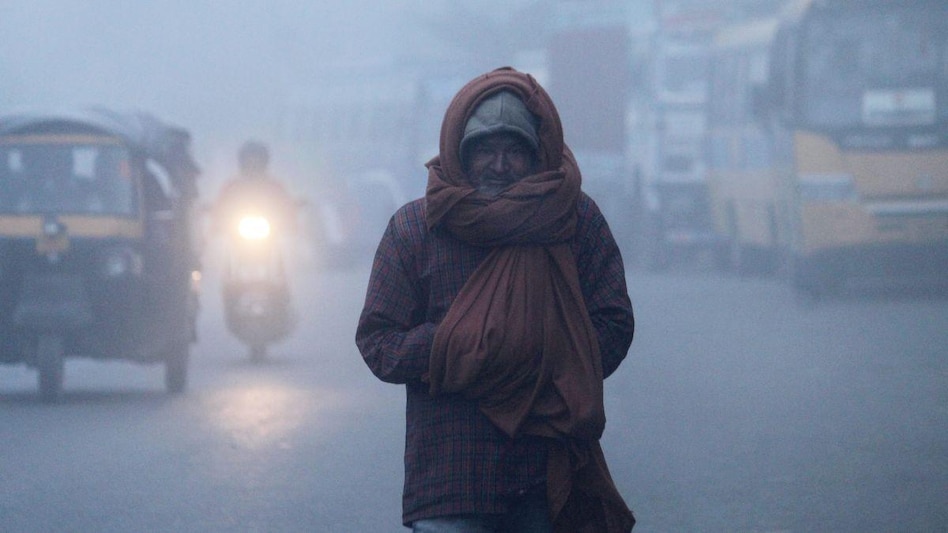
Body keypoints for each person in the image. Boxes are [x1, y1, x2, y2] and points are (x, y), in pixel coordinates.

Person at [355, 67, 636, 532]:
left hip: (544, 476)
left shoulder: (573, 221)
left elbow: (614, 323)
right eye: (485, 149)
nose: (499, 165)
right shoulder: (415, 230)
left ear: (538, 155)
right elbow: (377, 343)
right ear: (460, 152)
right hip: (450, 479)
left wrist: (545, 362)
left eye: (513, 151)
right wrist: (455, 347)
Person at [213, 140, 298, 236]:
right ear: (242, 165)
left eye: (257, 164)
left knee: (288, 244)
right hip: (233, 237)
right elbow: (219, 212)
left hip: (274, 237)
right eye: (249, 164)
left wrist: (288, 219)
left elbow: (287, 210)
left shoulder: (276, 188)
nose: (253, 168)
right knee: (219, 245)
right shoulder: (231, 188)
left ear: (264, 165)